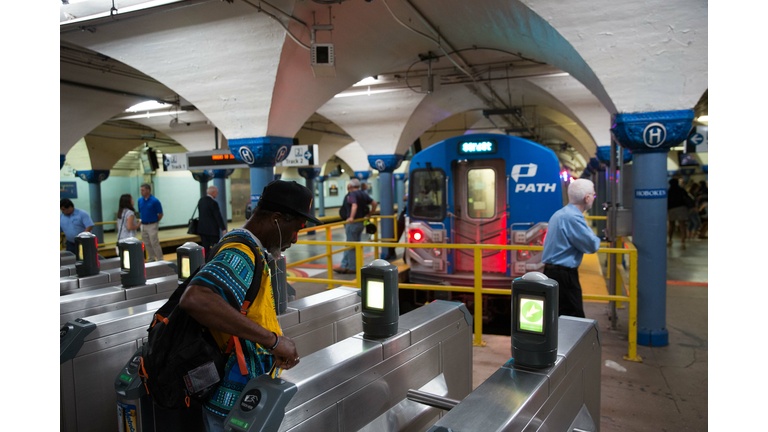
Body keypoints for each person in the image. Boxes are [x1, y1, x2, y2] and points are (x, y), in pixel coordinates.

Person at [179, 180, 322, 432]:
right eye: (296, 228)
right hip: (232, 405)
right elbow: (196, 298)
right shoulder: (240, 251)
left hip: (245, 395)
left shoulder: (252, 250)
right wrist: (274, 341)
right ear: (277, 219)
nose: (296, 238)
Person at [541, 179, 601, 318]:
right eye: (593, 195)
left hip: (552, 272)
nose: (594, 197)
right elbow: (591, 246)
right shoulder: (573, 218)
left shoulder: (560, 214)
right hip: (564, 276)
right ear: (587, 198)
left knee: (556, 316)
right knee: (574, 318)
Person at [335, 178, 377, 274]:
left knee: (351, 246)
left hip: (353, 224)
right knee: (352, 244)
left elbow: (354, 205)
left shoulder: (352, 194)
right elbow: (374, 203)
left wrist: (351, 217)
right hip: (361, 223)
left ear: (350, 185)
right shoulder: (363, 194)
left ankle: (353, 268)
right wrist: (369, 214)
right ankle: (343, 265)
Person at [197, 186, 228, 259]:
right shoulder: (213, 203)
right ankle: (213, 261)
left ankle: (205, 261)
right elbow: (218, 217)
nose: (217, 194)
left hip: (202, 229)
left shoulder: (201, 200)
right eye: (217, 193)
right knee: (215, 248)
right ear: (213, 192)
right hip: (212, 231)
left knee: (205, 248)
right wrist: (223, 229)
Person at [138, 183, 164, 261]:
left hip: (152, 224)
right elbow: (140, 211)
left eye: (143, 190)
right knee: (146, 243)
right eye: (141, 190)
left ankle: (160, 259)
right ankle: (151, 258)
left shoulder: (155, 201)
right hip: (143, 225)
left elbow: (160, 213)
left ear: (148, 190)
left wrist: (155, 221)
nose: (141, 192)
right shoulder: (140, 201)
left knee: (154, 243)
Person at [667, 178, 689, 249]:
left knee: (671, 225)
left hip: (672, 209)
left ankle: (670, 240)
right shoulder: (681, 190)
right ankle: (683, 242)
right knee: (682, 226)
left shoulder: (669, 191)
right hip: (682, 208)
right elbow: (686, 198)